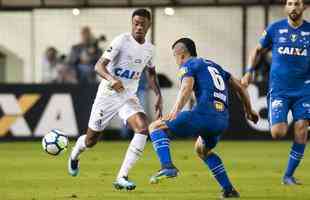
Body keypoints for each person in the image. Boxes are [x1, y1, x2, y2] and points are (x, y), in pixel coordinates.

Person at [148, 38, 259, 198]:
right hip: (221, 120)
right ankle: (229, 190)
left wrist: (175, 110)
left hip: (203, 115)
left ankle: (167, 166)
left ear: (181, 54)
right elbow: (240, 87)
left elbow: (187, 87)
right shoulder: (215, 66)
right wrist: (249, 110)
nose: (176, 61)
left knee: (155, 127)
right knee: (202, 150)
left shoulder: (189, 65)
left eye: (175, 56)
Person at [67, 8, 163, 191]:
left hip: (128, 96)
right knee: (91, 141)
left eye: (143, 24)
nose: (139, 27)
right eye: (136, 23)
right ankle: (75, 154)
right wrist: (112, 80)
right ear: (131, 24)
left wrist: (158, 95)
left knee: (143, 128)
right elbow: (99, 66)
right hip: (108, 95)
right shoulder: (122, 41)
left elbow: (151, 73)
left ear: (149, 25)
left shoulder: (150, 50)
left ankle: (122, 176)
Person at [241, 0, 310, 185]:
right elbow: (257, 50)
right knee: (278, 132)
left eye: (297, 3)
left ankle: (288, 176)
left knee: (301, 128)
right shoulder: (275, 29)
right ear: (285, 7)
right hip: (279, 89)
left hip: (304, 89)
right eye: (290, 3)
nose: (293, 7)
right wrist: (249, 71)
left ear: (305, 7)